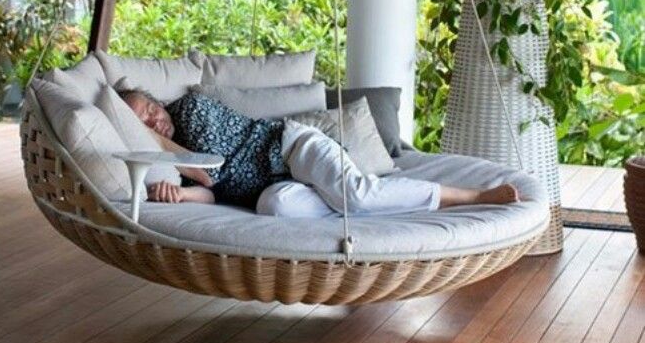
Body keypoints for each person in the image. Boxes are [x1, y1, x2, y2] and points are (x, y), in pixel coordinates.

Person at [121, 89, 520, 217]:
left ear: (161, 104)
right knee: (273, 207)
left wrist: (154, 142)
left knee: (359, 197)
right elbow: (211, 192)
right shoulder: (175, 156)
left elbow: (209, 171)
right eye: (144, 123)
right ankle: (347, 194)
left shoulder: (190, 110)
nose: (155, 123)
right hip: (273, 188)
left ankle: (469, 196)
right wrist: (177, 194)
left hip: (292, 149)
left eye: (152, 111)